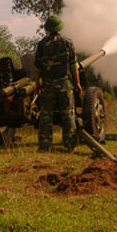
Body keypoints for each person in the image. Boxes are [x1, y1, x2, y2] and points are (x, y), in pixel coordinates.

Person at [34, 15, 82, 152]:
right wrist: (77, 84)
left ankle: (45, 145)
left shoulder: (42, 44)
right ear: (60, 28)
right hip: (64, 85)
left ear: (48, 29)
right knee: (68, 115)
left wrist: (37, 84)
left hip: (48, 86)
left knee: (45, 116)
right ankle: (70, 144)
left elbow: (37, 68)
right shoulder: (67, 43)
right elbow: (74, 66)